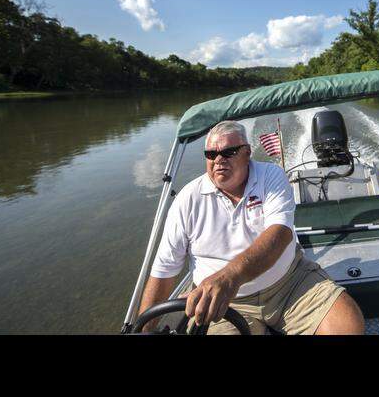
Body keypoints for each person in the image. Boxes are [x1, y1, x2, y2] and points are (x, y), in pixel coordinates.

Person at [137, 120, 364, 335]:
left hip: (289, 285)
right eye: (211, 154)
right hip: (223, 304)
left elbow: (280, 234)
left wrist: (229, 278)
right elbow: (164, 271)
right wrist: (145, 329)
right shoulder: (187, 199)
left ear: (247, 153)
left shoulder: (271, 176)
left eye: (228, 152)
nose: (219, 159)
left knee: (347, 325)